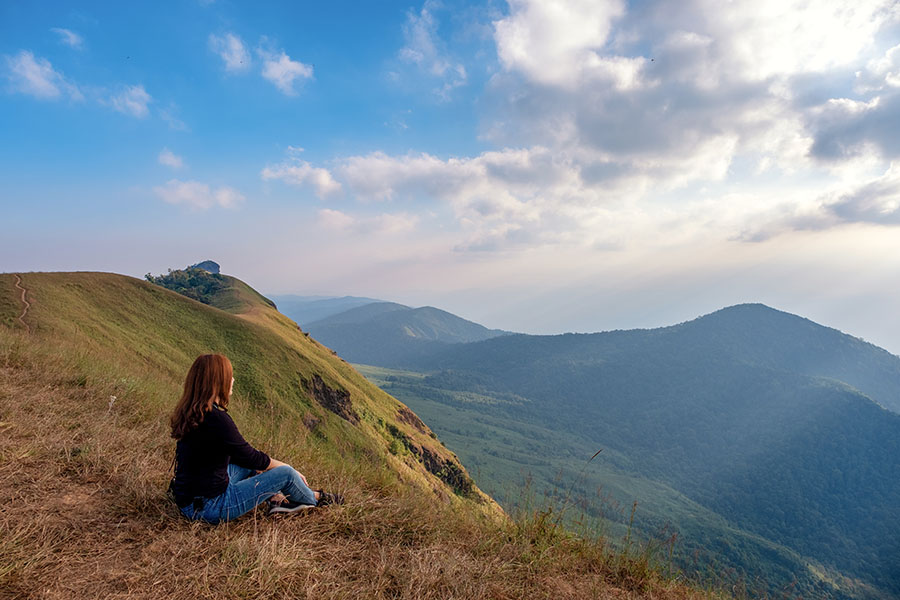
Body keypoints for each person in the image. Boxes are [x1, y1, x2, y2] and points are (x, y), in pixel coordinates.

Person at [169, 353, 342, 523]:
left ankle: (276, 499)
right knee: (286, 474)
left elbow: (241, 457)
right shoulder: (217, 420)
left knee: (247, 467)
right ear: (217, 382)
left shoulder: (193, 411)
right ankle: (316, 498)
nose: (233, 380)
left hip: (190, 499)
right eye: (229, 376)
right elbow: (252, 457)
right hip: (210, 507)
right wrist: (288, 467)